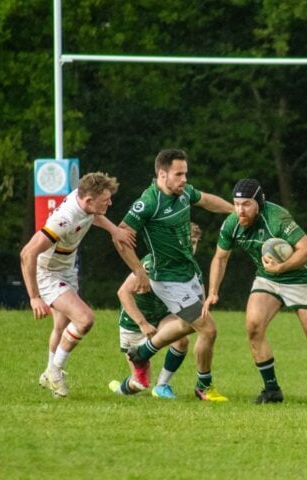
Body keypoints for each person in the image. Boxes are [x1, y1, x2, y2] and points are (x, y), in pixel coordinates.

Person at [202, 178, 307, 404]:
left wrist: (281, 267)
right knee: (253, 327)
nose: (240, 210)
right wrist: (213, 291)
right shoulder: (232, 224)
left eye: (246, 204)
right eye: (236, 204)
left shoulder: (277, 218)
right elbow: (220, 258)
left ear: (259, 202)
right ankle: (272, 390)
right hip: (268, 279)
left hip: (299, 278)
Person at [113, 149, 233, 402]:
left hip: (188, 272)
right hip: (167, 279)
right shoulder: (148, 202)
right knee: (208, 329)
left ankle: (143, 352)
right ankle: (204, 386)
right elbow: (121, 237)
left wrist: (234, 211)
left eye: (186, 173)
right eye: (179, 174)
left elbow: (207, 200)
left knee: (192, 326)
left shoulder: (184, 192)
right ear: (162, 174)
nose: (184, 179)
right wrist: (138, 271)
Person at [20, 172, 135, 398]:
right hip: (49, 272)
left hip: (66, 267)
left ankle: (49, 373)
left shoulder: (87, 203)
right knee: (84, 319)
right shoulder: (64, 219)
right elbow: (27, 253)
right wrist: (34, 297)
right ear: (89, 200)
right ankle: (55, 371)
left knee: (61, 326)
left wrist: (115, 230)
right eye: (106, 200)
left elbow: (94, 216)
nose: (110, 203)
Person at [109, 223, 203, 399]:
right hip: (135, 323)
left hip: (163, 316)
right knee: (139, 384)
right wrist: (142, 324)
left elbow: (199, 301)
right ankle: (120, 388)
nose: (191, 246)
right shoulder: (153, 262)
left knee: (182, 339)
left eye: (195, 242)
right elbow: (123, 293)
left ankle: (162, 386)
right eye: (187, 241)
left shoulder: (192, 268)